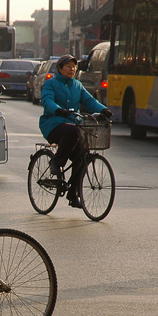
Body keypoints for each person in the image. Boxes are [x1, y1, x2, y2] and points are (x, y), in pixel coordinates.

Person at [39, 54, 112, 207]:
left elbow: (89, 101)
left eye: (74, 67)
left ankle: (74, 195)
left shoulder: (77, 85)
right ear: (60, 68)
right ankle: (56, 163)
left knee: (82, 156)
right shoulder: (50, 84)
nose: (72, 69)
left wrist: (103, 110)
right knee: (71, 131)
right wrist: (58, 110)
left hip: (73, 126)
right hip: (53, 124)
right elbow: (47, 100)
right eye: (68, 66)